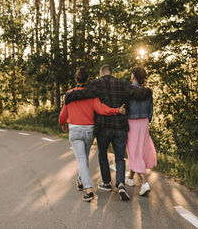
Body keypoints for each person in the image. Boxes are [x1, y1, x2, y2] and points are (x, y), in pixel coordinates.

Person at [65, 64, 152, 201]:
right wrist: (148, 91)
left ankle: (106, 183)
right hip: (120, 127)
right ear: (112, 73)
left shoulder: (96, 84)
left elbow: (83, 93)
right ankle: (121, 184)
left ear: (101, 74)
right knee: (119, 158)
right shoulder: (122, 83)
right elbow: (136, 92)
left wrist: (69, 96)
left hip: (103, 128)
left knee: (103, 155)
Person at [59, 66, 126, 202]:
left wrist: (62, 123)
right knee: (84, 158)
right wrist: (117, 110)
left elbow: (63, 114)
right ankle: (80, 180)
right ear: (88, 79)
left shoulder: (69, 94)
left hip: (76, 130)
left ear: (76, 79)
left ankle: (89, 190)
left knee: (82, 160)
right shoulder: (91, 94)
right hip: (89, 130)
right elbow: (102, 109)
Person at [125, 66, 157, 196]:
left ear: (133, 76)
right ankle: (131, 178)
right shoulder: (148, 92)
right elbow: (151, 111)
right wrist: (146, 120)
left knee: (133, 152)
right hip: (143, 122)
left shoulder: (128, 90)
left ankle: (144, 182)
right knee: (139, 150)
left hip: (132, 122)